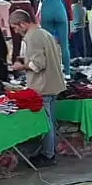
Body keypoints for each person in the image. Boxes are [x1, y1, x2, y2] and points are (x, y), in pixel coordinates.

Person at [7, 9, 66, 167]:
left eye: (15, 27)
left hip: (42, 85)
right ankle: (51, 151)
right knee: (51, 122)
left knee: (45, 123)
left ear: (23, 23)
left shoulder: (32, 37)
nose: (15, 31)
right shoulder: (44, 33)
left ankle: (48, 155)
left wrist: (20, 66)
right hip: (54, 84)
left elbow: (38, 65)